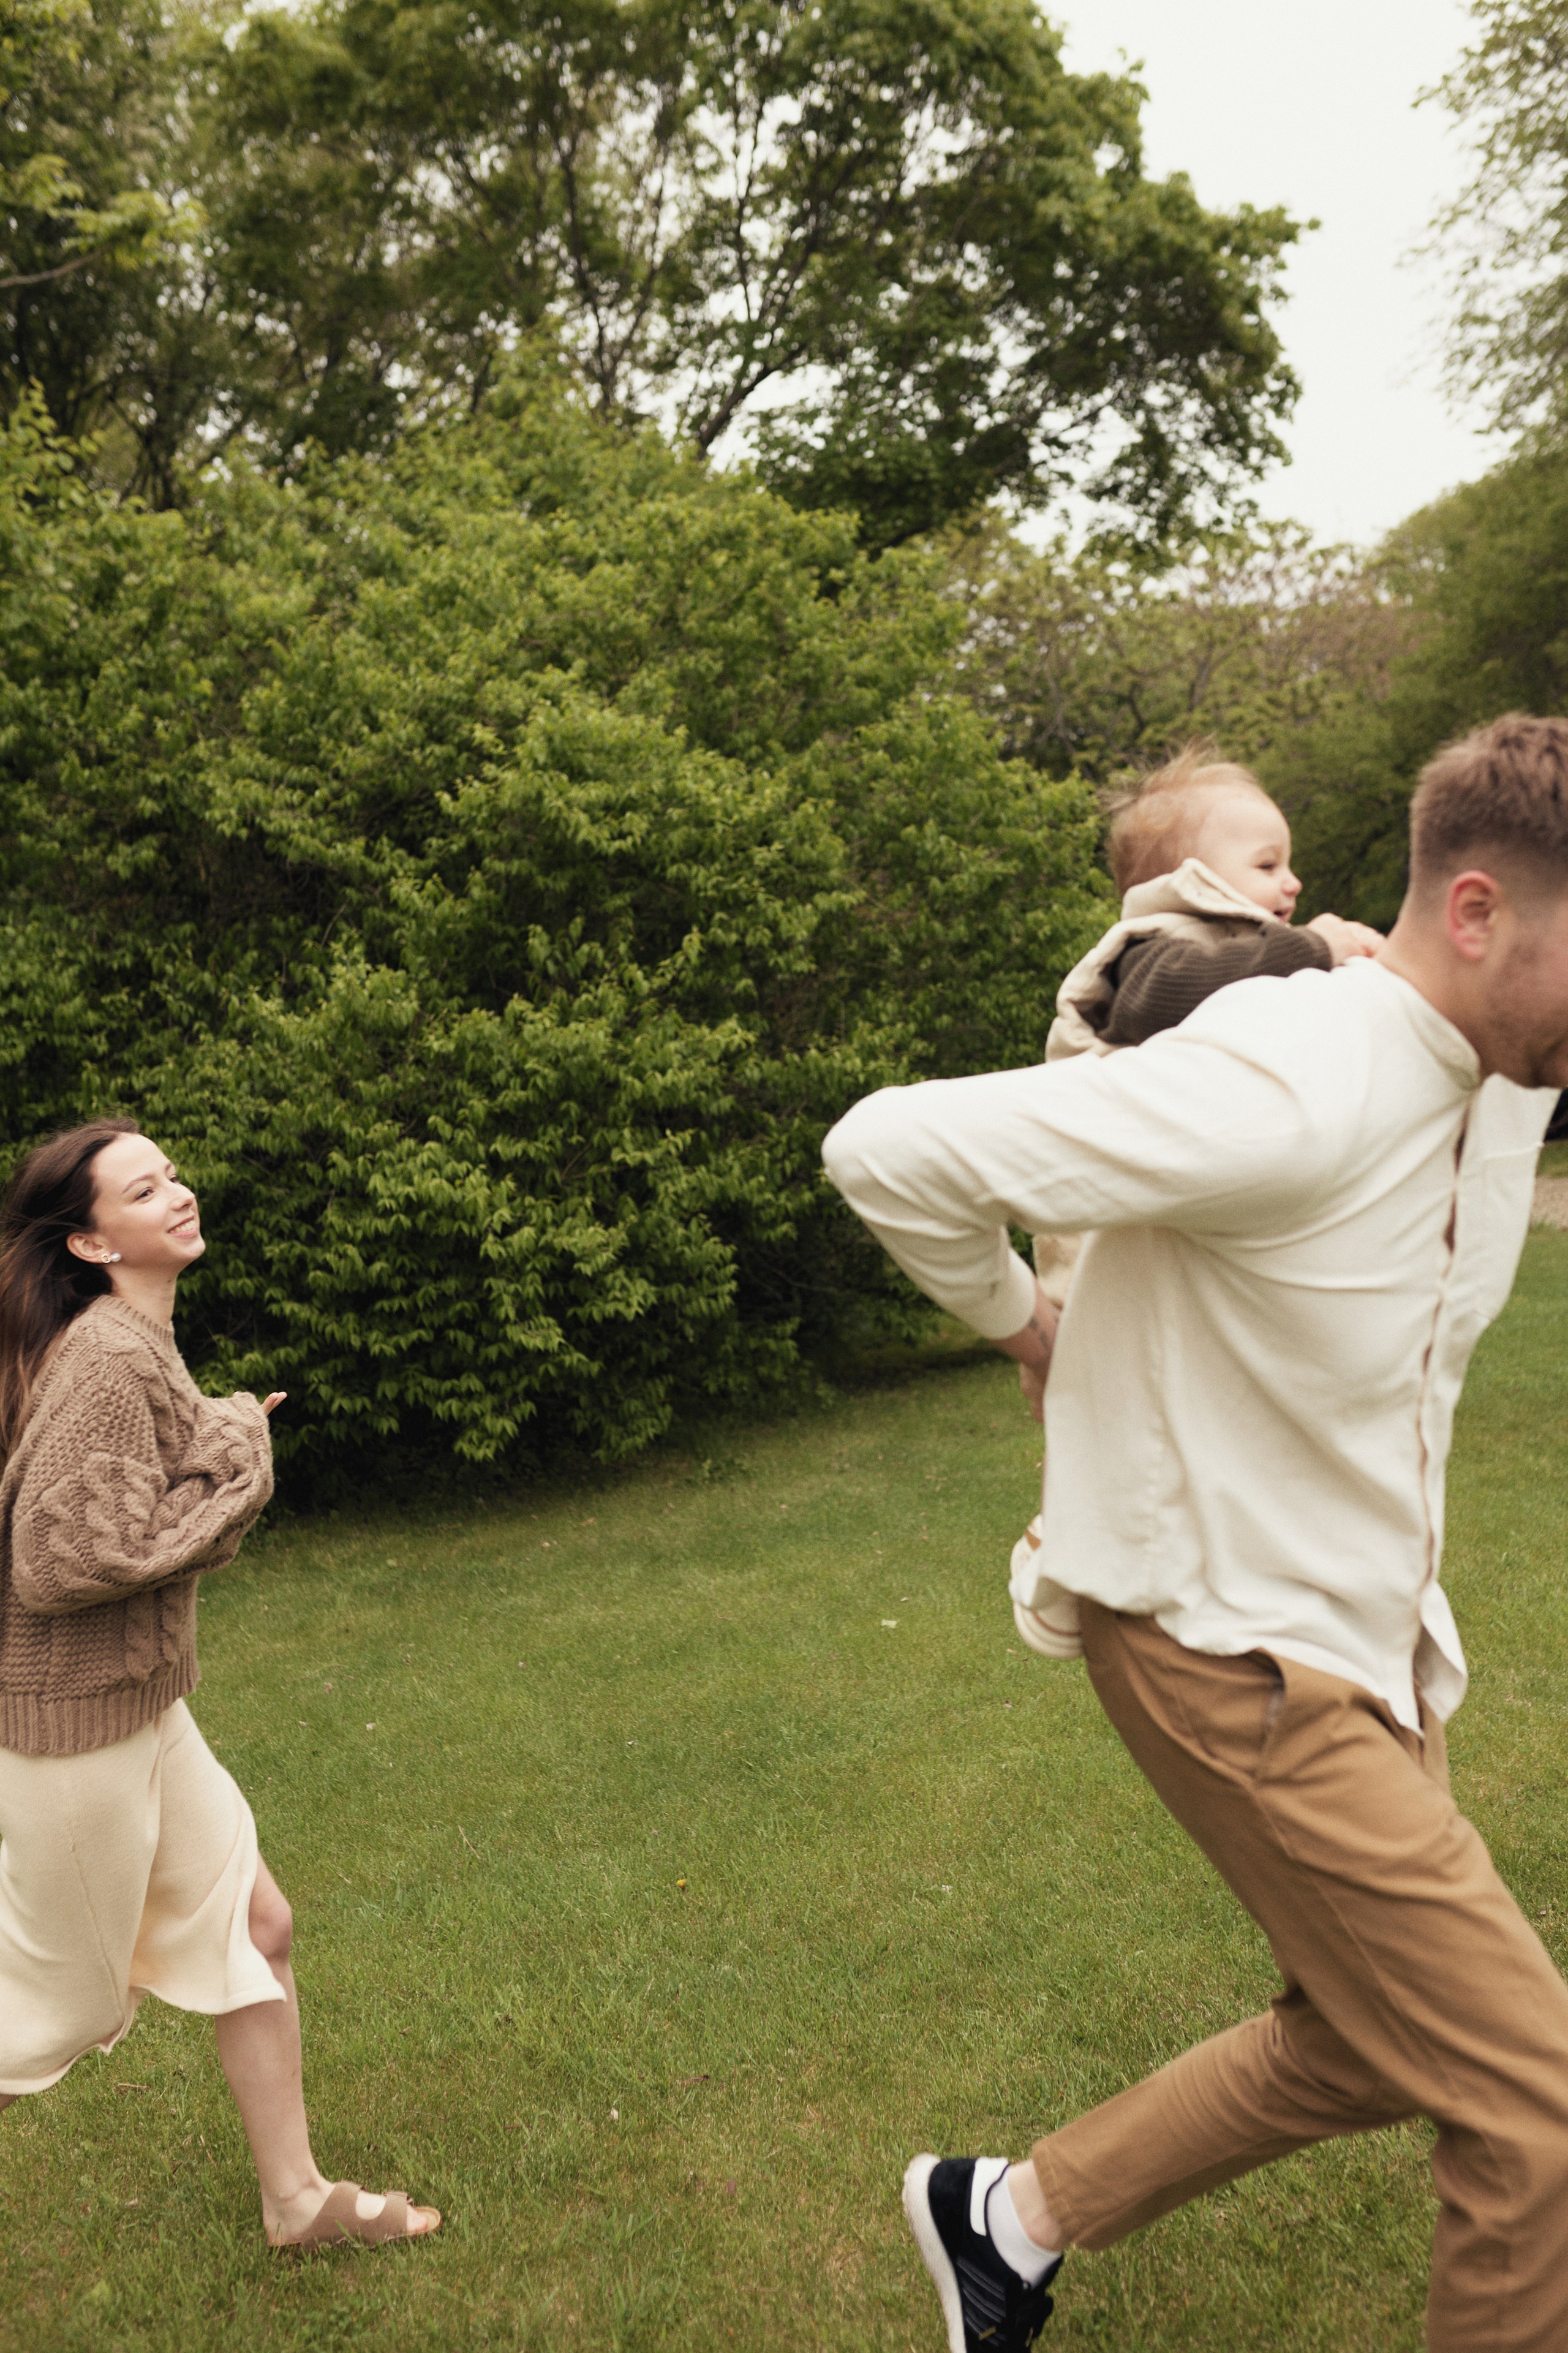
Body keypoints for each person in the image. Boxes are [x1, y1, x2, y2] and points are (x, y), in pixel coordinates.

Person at [822, 714, 1568, 2352]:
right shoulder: (1296, 1072)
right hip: (1226, 1643)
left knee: (1383, 2040)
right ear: (1478, 914)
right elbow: (888, 1148)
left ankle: (1005, 2218)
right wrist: (1029, 1321)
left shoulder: (1492, 1067)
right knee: (1538, 2107)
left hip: (1365, 1635)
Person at [0, 1119, 440, 2252]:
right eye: (144, 1191)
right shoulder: (106, 1357)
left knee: (260, 1920)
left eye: (172, 1175)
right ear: (94, 1244)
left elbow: (132, 1498)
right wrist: (239, 1456)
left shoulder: (134, 1337)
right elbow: (61, 1559)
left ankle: (295, 2203)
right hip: (70, 1739)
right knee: (58, 2016)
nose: (178, 1195)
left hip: (140, 1706)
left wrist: (218, 1444)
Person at [1016, 744, 1384, 1658]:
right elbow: (1165, 1003)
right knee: (1107, 1395)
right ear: (1187, 878)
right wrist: (1314, 952)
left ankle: (1145, 1546)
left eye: (1289, 861)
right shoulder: (1148, 952)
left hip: (1171, 1228)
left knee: (1188, 1415)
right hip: (1098, 1241)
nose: (1292, 881)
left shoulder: (1239, 954)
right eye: (1267, 864)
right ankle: (1061, 1540)